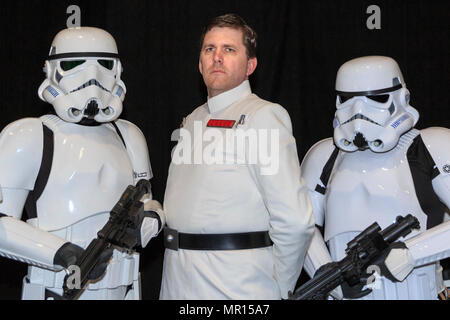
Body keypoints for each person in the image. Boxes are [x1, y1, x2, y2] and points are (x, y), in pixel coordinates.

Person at [0, 26, 164, 300]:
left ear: (118, 70)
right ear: (52, 70)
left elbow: (148, 203)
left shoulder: (128, 135)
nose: (92, 77)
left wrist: (147, 224)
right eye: (75, 64)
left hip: (123, 289)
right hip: (55, 289)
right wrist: (62, 252)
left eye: (104, 65)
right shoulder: (30, 136)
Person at [160, 13, 314, 300]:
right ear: (199, 62)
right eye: (210, 49)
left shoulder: (264, 116)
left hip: (237, 286)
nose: (217, 57)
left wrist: (277, 285)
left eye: (229, 50)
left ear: (250, 65)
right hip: (177, 279)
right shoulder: (192, 120)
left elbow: (294, 220)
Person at [301, 56, 450, 300]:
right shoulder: (323, 156)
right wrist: (325, 275)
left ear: (402, 98)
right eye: (347, 100)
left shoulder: (432, 147)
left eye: (376, 98)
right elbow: (301, 227)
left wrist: (411, 253)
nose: (358, 111)